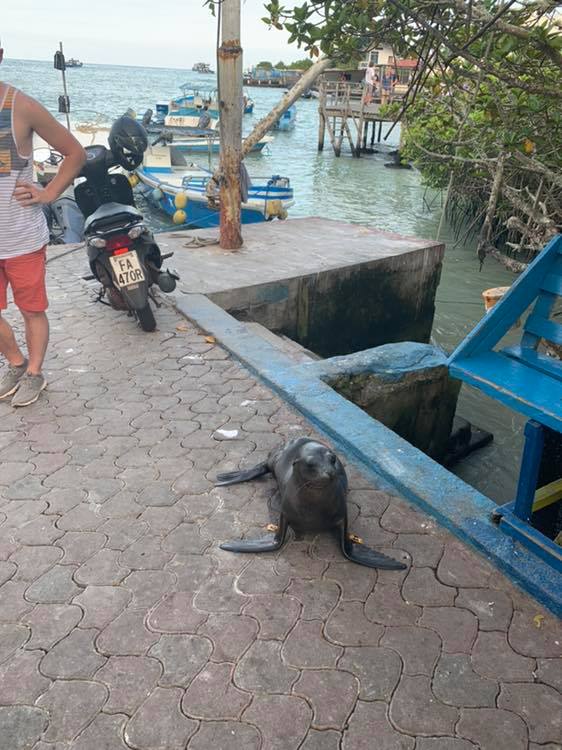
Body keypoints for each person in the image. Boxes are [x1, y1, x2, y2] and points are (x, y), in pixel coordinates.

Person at [0, 42, 86, 407]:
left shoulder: (20, 107)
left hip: (20, 238)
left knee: (32, 309)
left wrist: (49, 193)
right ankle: (16, 363)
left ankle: (35, 372)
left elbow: (75, 152)